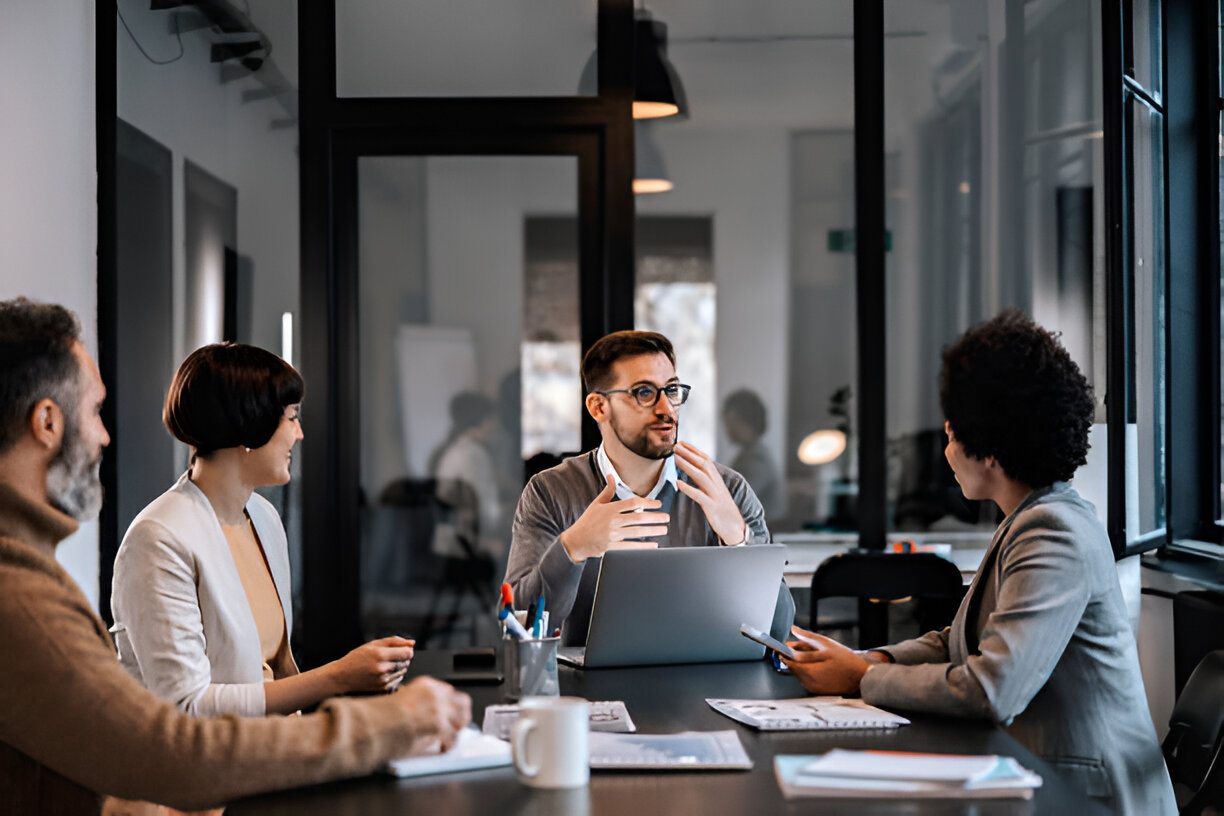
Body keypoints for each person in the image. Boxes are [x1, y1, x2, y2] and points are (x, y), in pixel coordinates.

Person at [0, 297, 470, 814]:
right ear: (46, 422)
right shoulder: (31, 593)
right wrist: (380, 717)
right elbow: (171, 742)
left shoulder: (263, 518)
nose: (104, 434)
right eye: (93, 411)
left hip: (259, 776)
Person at [781, 310, 1175, 815]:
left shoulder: (1052, 530)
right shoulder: (1029, 517)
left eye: (951, 433)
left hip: (1087, 798)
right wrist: (872, 660)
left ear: (988, 449)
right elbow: (957, 640)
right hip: (1040, 777)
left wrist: (859, 677)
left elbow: (993, 688)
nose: (945, 449)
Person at [110, 343, 415, 718]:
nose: (299, 434)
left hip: (273, 749)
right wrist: (338, 677)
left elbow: (273, 670)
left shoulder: (263, 516)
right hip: (208, 767)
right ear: (249, 424)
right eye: (291, 418)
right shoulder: (157, 539)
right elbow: (188, 706)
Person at [504, 330, 794, 645]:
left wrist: (738, 539)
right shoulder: (550, 491)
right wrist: (574, 547)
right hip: (587, 689)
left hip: (703, 686)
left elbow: (777, 633)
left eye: (671, 390)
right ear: (599, 407)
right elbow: (519, 627)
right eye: (644, 392)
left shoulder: (728, 491)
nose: (666, 409)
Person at [721, 388, 785, 521]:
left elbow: (735, 500)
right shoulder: (750, 453)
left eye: (729, 420)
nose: (726, 427)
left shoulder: (756, 458)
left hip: (763, 535)